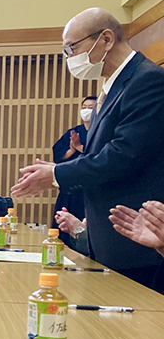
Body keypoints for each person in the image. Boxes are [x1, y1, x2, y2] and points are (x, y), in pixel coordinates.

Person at [12, 8, 164, 288]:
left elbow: (123, 155)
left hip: (135, 243)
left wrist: (57, 174)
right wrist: (57, 170)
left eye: (72, 48)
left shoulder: (147, 80)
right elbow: (98, 156)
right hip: (106, 237)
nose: (70, 58)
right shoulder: (110, 87)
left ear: (106, 39)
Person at [51, 96, 96, 250]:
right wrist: (72, 150)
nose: (86, 110)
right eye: (84, 107)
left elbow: (100, 157)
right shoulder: (74, 132)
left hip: (89, 189)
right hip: (70, 188)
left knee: (84, 229)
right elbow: (58, 154)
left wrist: (80, 148)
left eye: (91, 107)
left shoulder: (101, 132)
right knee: (62, 225)